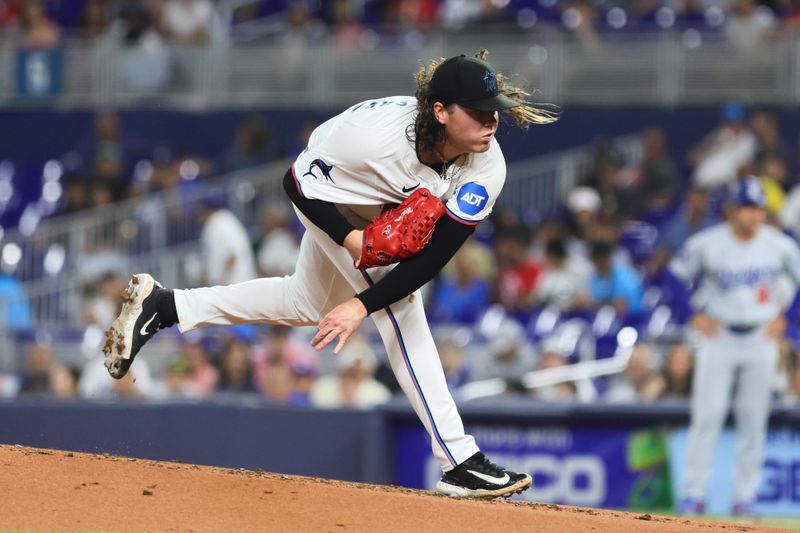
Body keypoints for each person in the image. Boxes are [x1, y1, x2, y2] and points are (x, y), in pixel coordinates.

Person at [102, 51, 559, 498]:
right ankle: (458, 460)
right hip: (333, 191)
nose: (491, 122)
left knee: (305, 303)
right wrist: (349, 241)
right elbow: (294, 183)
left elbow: (434, 258)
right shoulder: (371, 139)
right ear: (440, 111)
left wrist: (357, 303)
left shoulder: (487, 164)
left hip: (381, 202)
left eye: (493, 111)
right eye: (478, 113)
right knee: (400, 309)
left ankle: (168, 305)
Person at [669, 177, 800, 516]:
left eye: (758, 208)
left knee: (754, 421)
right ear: (732, 211)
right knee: (707, 416)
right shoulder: (708, 243)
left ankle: (745, 497)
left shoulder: (780, 245)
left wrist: (789, 316)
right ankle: (693, 494)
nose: (754, 215)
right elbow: (673, 277)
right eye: (747, 208)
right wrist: (692, 314)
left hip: (761, 338)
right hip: (720, 337)